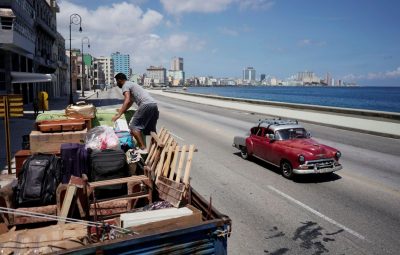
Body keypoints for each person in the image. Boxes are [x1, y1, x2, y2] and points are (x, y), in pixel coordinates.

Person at [112, 73, 159, 154]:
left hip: (146, 104)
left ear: (120, 80)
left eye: (117, 81)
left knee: (133, 127)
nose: (117, 83)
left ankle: (143, 148)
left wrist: (119, 114)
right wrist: (123, 110)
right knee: (150, 130)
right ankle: (157, 148)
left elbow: (126, 100)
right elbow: (130, 102)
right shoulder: (132, 84)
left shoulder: (125, 85)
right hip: (154, 105)